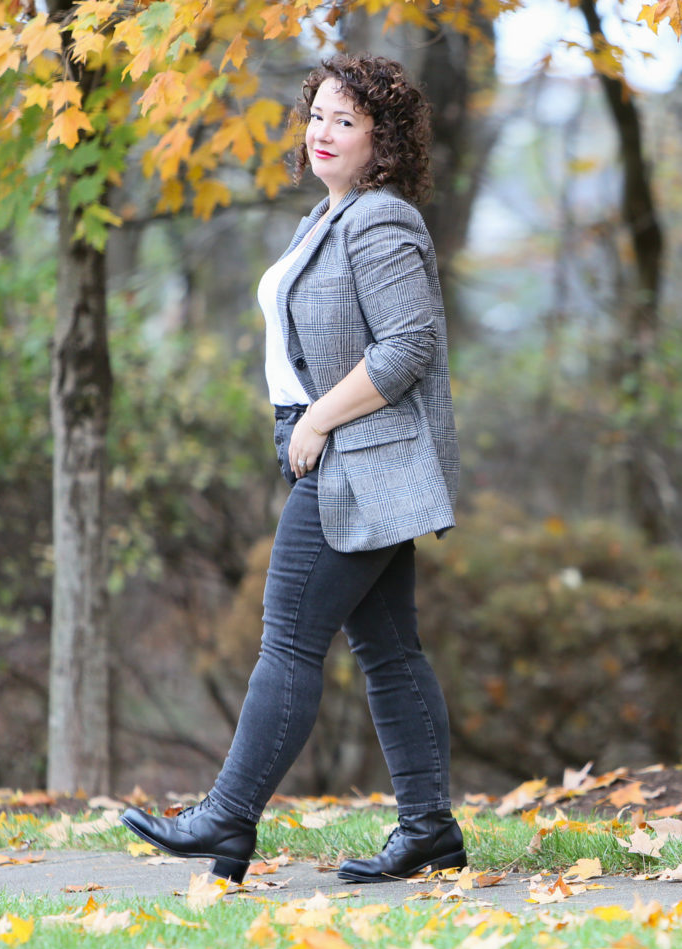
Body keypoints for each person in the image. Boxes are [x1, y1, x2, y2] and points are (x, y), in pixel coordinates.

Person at [122, 53, 467, 884]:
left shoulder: (380, 219)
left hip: (358, 457)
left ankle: (226, 816)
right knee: (388, 650)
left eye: (346, 121)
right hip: (338, 451)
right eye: (318, 114)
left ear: (380, 141)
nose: (322, 131)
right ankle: (428, 830)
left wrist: (314, 419)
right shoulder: (330, 214)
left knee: (287, 638)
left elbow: (409, 345)